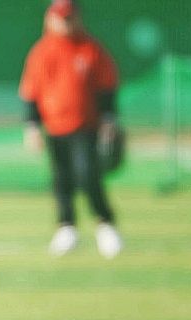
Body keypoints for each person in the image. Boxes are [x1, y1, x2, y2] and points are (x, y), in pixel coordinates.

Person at [19, 0, 123, 258]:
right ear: (50, 19)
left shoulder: (90, 48)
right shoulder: (42, 51)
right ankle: (67, 227)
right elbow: (31, 91)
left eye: (69, 18)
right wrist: (32, 126)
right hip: (55, 128)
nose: (65, 23)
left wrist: (109, 119)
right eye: (60, 18)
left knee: (88, 176)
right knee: (61, 179)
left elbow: (106, 86)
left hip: (86, 126)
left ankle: (105, 224)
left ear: (77, 18)